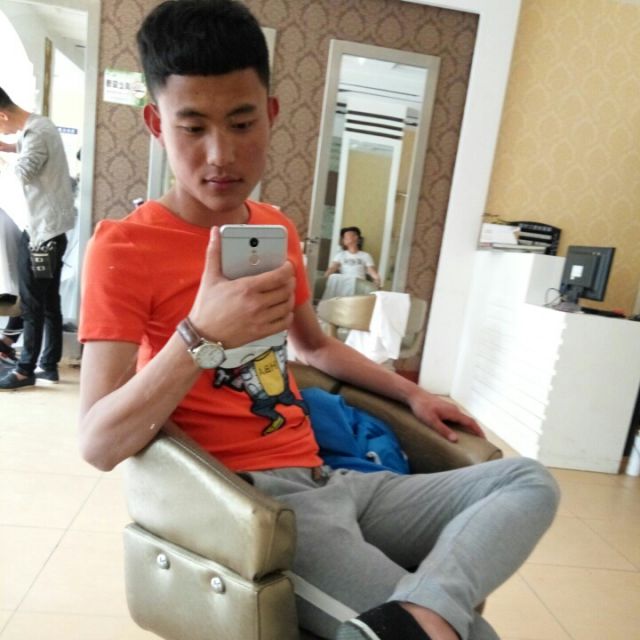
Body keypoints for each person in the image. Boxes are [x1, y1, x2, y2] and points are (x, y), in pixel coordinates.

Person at [77, 2, 560, 639]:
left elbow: (315, 348)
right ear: (155, 125)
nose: (220, 154)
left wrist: (414, 393)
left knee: (527, 481)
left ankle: (425, 610)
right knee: (473, 635)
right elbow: (98, 442)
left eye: (242, 122)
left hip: (330, 477)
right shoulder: (125, 247)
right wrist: (200, 335)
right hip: (254, 508)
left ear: (272, 114)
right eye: (191, 127)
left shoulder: (273, 228)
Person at [0, 88, 75, 388]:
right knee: (49, 301)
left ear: (1, 115)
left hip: (41, 236)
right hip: (51, 232)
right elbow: (32, 152)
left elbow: (23, 173)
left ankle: (24, 370)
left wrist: (4, 161)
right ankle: (49, 365)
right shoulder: (41, 125)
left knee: (32, 304)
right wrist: (8, 147)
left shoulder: (35, 133)